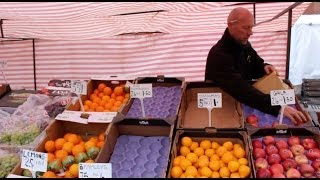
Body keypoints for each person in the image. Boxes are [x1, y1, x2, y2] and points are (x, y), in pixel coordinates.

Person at [205, 7, 309, 125]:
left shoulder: (244, 44)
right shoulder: (219, 55)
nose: (251, 32)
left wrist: (264, 67)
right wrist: (278, 107)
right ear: (230, 25)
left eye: (251, 27)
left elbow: (255, 63)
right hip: (224, 109)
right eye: (246, 27)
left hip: (242, 103)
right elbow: (241, 89)